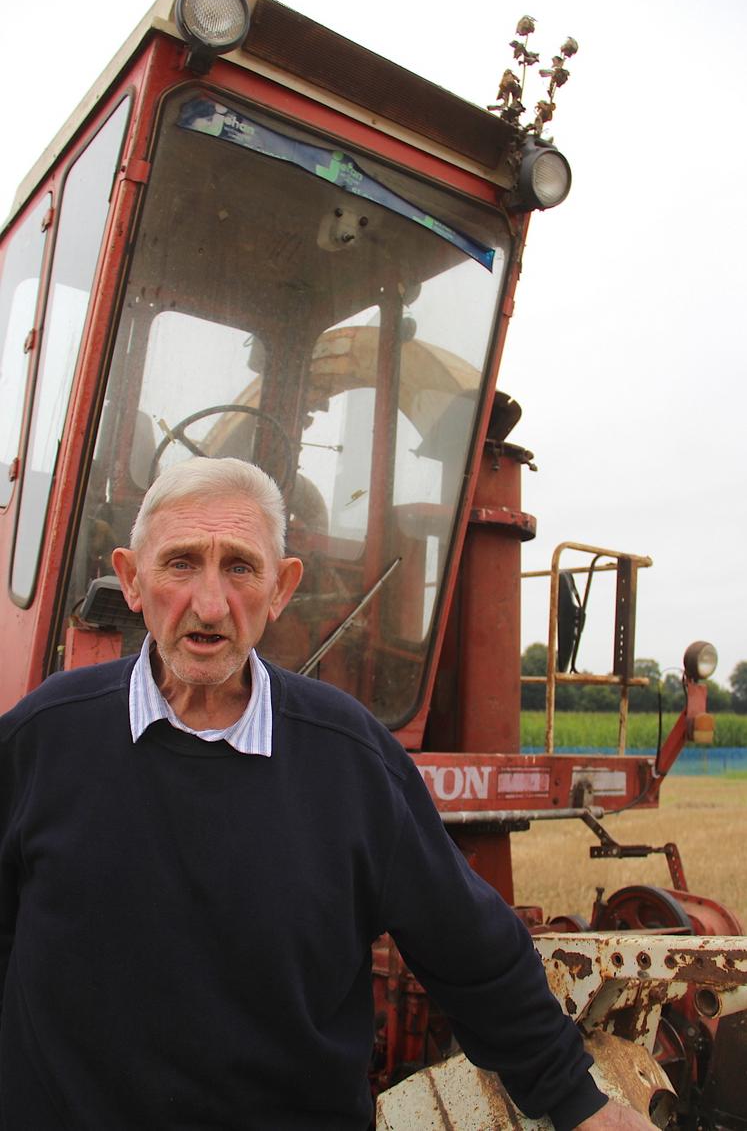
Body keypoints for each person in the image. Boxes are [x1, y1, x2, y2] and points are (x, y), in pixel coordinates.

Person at [0, 457, 654, 1131]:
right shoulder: (44, 737)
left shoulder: (350, 758)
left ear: (282, 588)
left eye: (240, 568)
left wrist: (577, 1103)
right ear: (133, 580)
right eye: (180, 563)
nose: (209, 604)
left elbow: (469, 949)